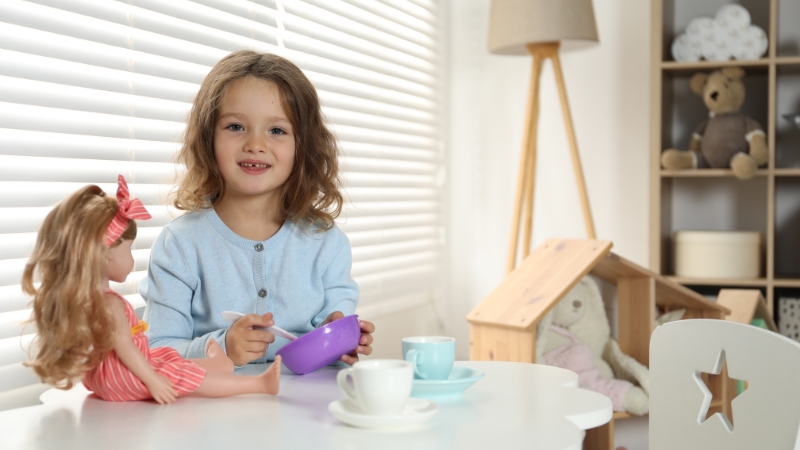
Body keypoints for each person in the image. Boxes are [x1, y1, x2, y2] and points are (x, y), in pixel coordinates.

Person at [139, 50, 375, 367]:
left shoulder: (326, 243)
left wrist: (339, 338)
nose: (255, 144)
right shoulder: (179, 244)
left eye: (276, 130)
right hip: (211, 412)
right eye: (236, 126)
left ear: (302, 146)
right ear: (208, 138)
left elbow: (333, 333)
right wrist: (221, 347)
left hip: (304, 412)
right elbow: (157, 350)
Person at [23, 176, 281, 404]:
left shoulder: (90, 299)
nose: (132, 260)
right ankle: (257, 384)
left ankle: (214, 364)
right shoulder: (109, 303)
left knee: (165, 357)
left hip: (104, 378)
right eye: (128, 250)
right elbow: (123, 345)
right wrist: (154, 380)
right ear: (105, 253)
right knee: (179, 376)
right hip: (121, 377)